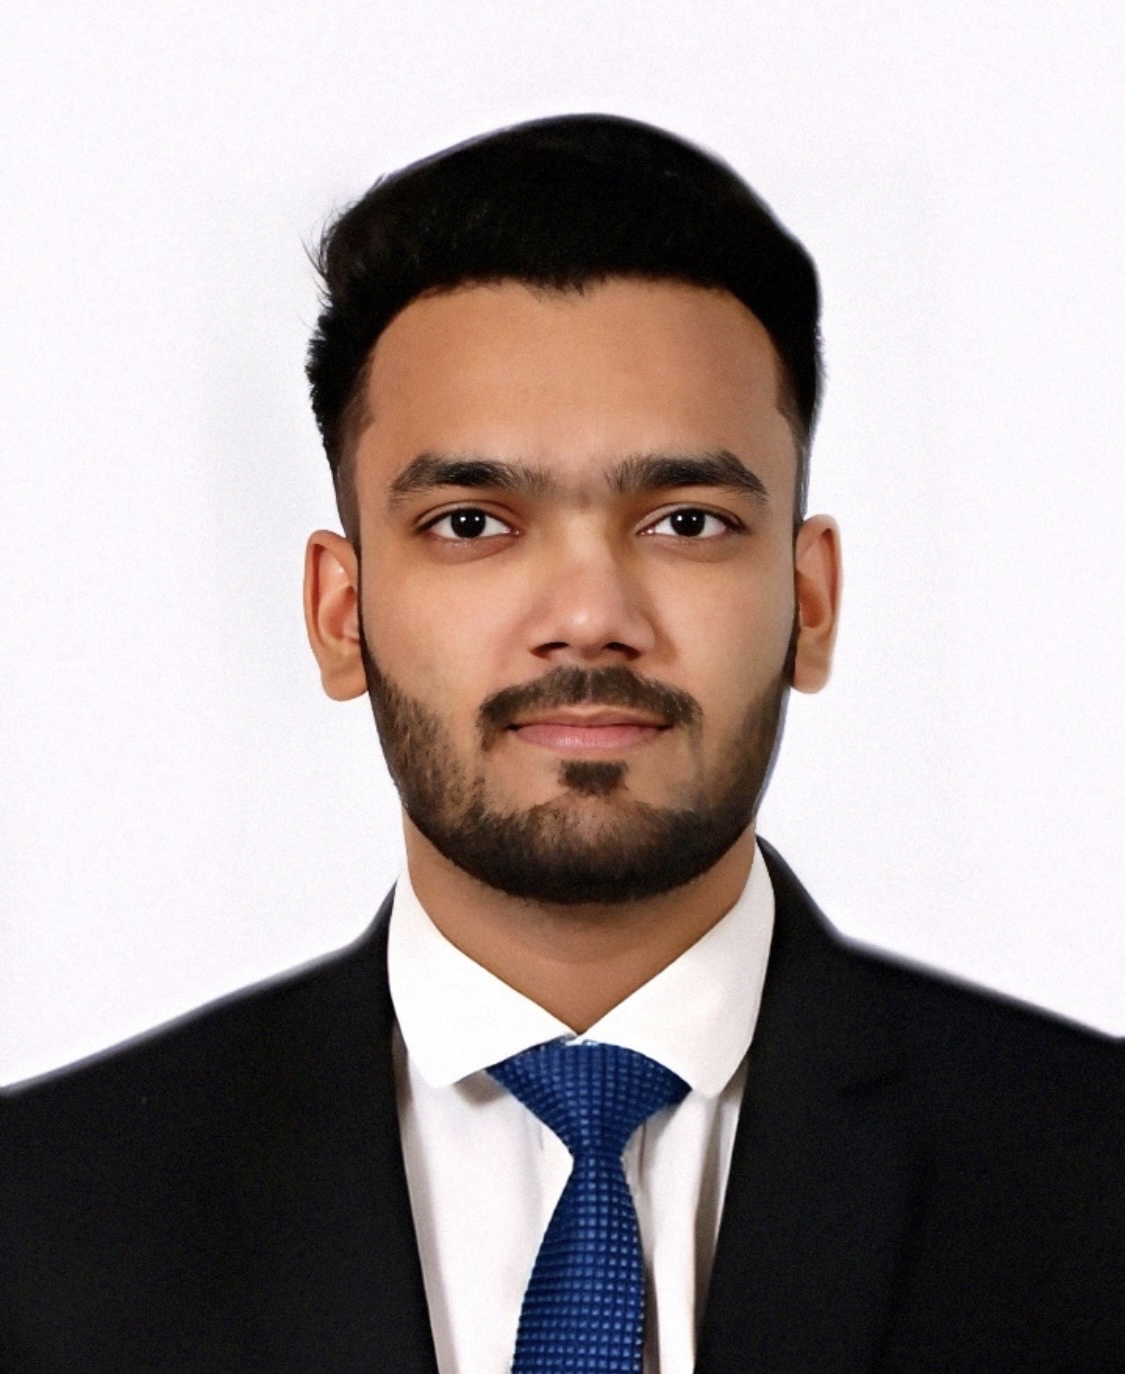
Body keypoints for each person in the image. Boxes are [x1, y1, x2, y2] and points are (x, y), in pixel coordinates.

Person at [1, 114, 1121, 1374]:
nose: (590, 616)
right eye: (472, 522)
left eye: (687, 521)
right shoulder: (39, 1225)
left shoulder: (1091, 1182)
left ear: (809, 603)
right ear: (340, 612)